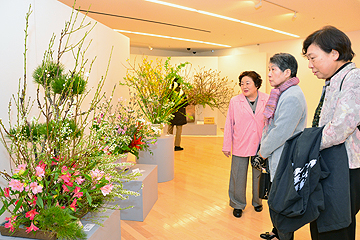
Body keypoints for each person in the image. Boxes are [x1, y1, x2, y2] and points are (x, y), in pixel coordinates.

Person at [302, 25, 360, 240]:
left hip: (345, 168)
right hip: (330, 163)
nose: (310, 65)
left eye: (313, 58)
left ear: (334, 53)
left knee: (337, 227)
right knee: (323, 222)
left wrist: (306, 143)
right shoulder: (333, 81)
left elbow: (339, 129)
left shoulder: (354, 79)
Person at [258, 53, 307, 240]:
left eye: (273, 70)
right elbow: (270, 125)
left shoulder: (292, 96)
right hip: (276, 155)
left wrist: (262, 152)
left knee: (282, 201)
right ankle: (277, 231)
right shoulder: (281, 92)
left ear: (287, 72)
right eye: (269, 69)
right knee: (275, 197)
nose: (269, 74)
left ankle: (284, 235)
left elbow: (280, 132)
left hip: (285, 159)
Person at [222, 71, 269, 218]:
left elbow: (271, 123)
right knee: (238, 175)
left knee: (258, 175)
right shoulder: (235, 101)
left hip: (260, 144)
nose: (244, 86)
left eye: (247, 83)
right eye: (242, 83)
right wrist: (226, 145)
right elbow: (229, 124)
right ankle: (237, 204)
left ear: (256, 84)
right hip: (240, 143)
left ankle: (258, 201)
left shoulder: (267, 99)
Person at [167, 80, 188, 151]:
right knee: (179, 130)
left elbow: (166, 101)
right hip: (180, 114)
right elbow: (185, 103)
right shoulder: (181, 92)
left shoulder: (170, 91)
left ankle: (168, 145)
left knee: (169, 130)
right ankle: (177, 145)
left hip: (171, 112)